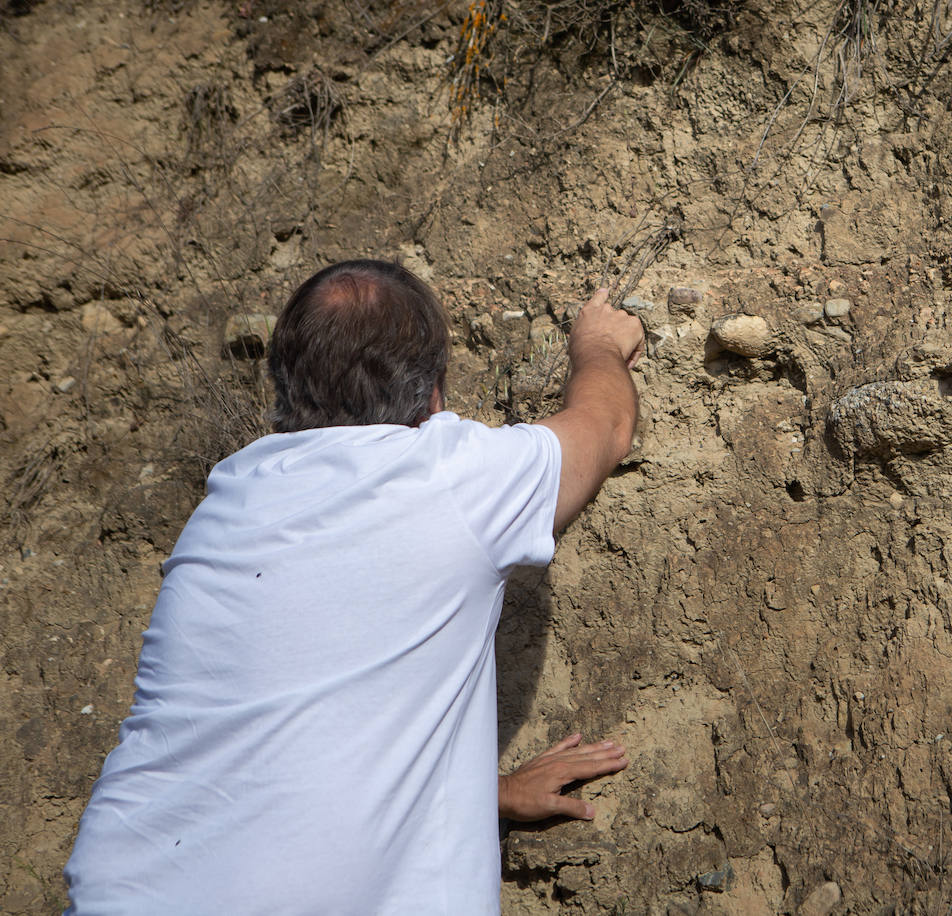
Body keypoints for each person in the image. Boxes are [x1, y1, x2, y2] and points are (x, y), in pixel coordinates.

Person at [64, 259, 646, 914]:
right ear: (434, 396)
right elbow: (605, 429)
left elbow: (286, 728)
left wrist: (482, 791)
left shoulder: (231, 502)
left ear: (282, 388)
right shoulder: (448, 481)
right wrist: (598, 344)